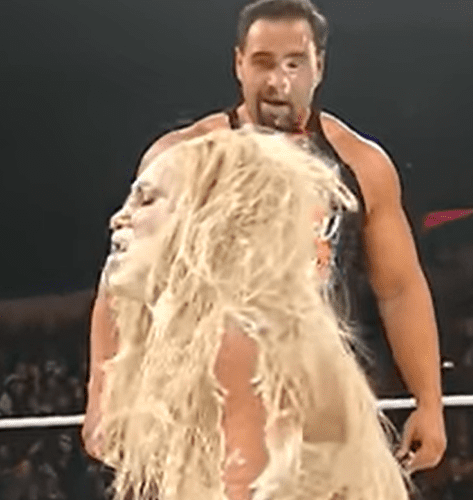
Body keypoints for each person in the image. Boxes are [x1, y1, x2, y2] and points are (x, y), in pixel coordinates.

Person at [83, 0, 445, 475]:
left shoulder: (361, 165)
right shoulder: (185, 159)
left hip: (320, 410)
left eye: (294, 63)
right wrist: (103, 397)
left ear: (319, 66)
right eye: (263, 63)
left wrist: (430, 402)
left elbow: (399, 288)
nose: (278, 81)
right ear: (239, 64)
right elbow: (121, 283)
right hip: (209, 413)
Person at [97, 126, 409, 500]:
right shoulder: (241, 327)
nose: (120, 217)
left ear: (208, 216)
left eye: (146, 201)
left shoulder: (240, 341)